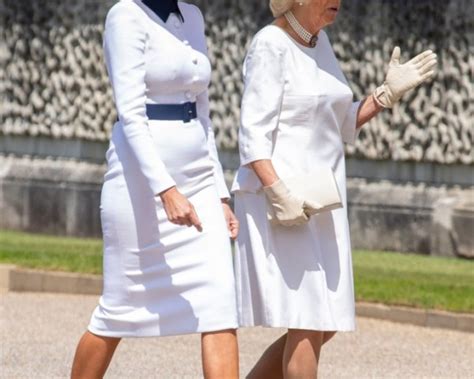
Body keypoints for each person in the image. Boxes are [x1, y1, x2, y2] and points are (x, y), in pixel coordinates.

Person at [231, 0, 437, 377]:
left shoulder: (319, 42)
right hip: (283, 200)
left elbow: (343, 123)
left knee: (323, 321)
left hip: (320, 200)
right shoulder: (270, 44)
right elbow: (252, 135)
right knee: (309, 318)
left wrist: (384, 95)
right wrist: (277, 191)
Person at [71, 1, 240, 378]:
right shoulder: (125, 16)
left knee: (221, 303)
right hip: (139, 185)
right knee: (118, 310)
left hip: (198, 179)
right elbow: (130, 113)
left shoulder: (193, 17)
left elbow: (204, 115)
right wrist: (166, 189)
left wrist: (220, 193)